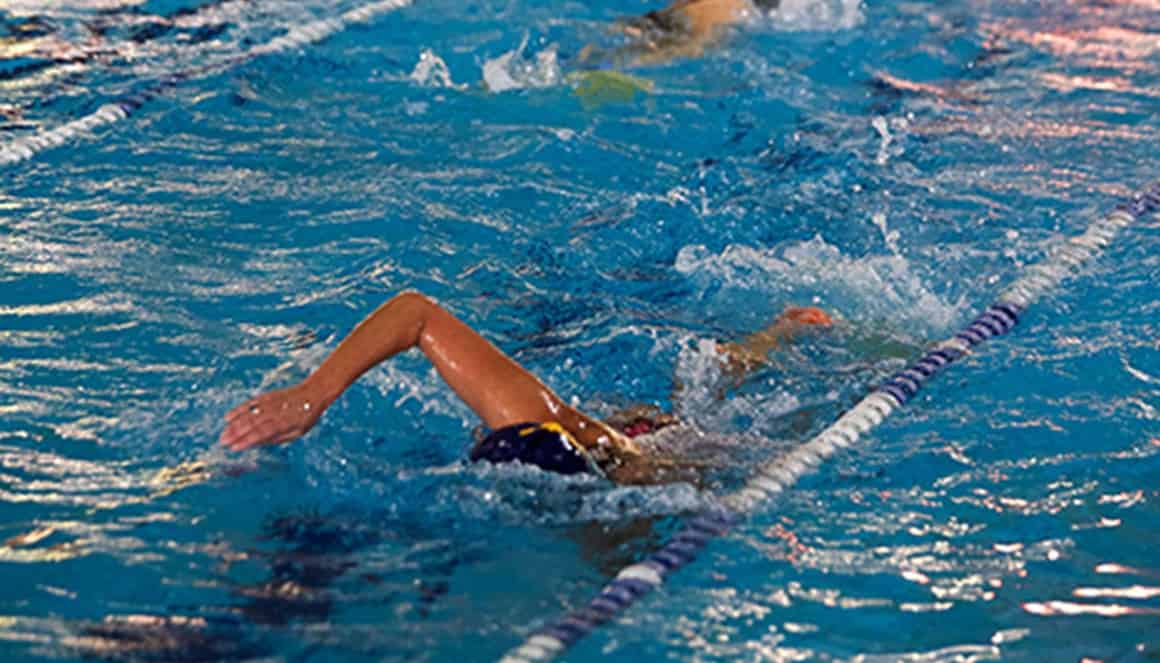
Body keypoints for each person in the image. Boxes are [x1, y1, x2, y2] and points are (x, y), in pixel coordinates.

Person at [220, 291, 831, 485]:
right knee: (694, 397)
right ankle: (776, 333)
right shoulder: (541, 420)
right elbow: (413, 311)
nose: (479, 423)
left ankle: (776, 334)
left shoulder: (618, 483)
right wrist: (311, 393)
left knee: (701, 410)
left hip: (648, 450)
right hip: (631, 439)